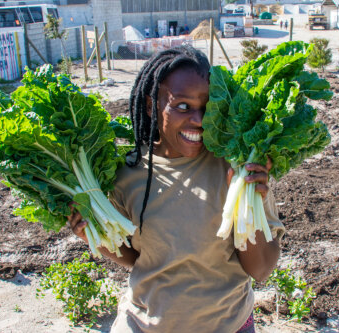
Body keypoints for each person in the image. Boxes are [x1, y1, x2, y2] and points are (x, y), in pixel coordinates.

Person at [68, 45, 285, 333]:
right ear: (150, 105)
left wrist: (252, 196)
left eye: (206, 107)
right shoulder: (126, 174)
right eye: (182, 106)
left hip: (228, 326)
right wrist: (93, 236)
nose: (198, 119)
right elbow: (138, 259)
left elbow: (261, 270)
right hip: (143, 325)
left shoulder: (237, 168)